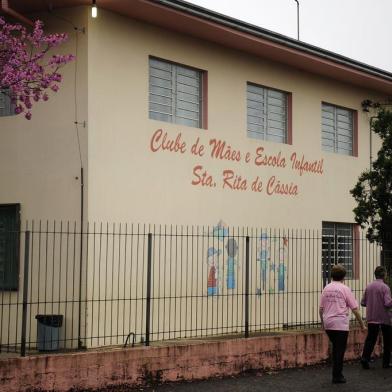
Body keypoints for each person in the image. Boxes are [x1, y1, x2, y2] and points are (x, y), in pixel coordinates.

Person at [320, 264, 366, 384]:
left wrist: (322, 323)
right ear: (344, 277)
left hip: (328, 323)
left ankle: (336, 373)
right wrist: (362, 324)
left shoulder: (326, 288)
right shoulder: (345, 289)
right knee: (339, 350)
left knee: (336, 348)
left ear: (332, 275)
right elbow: (355, 309)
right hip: (340, 324)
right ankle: (337, 376)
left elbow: (321, 308)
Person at [360, 265, 392, 369]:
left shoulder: (369, 286)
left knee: (370, 339)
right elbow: (388, 303)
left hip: (372, 317)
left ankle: (365, 358)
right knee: (387, 340)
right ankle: (386, 363)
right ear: (384, 275)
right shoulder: (385, 287)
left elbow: (363, 303)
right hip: (384, 318)